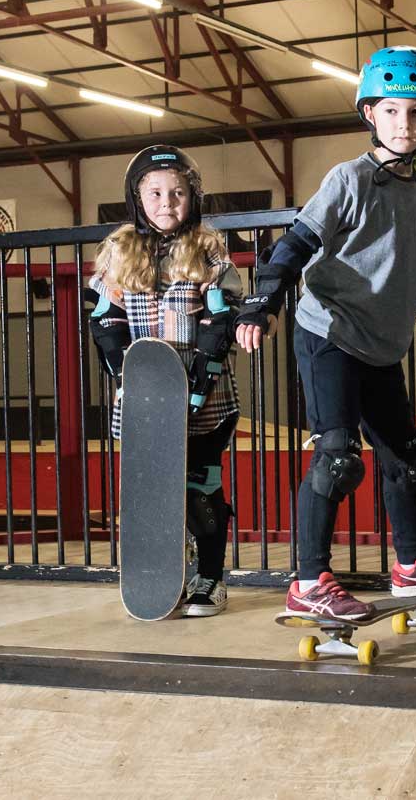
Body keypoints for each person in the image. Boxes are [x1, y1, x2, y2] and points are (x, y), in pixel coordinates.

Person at [234, 46, 416, 620]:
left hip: (381, 345)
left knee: (408, 458)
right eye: (390, 111)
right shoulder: (348, 179)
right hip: (328, 332)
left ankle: (410, 568)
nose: (403, 124)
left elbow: (409, 268)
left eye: (415, 112)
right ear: (370, 115)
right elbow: (294, 246)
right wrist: (261, 304)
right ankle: (308, 582)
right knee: (338, 459)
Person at [89, 145, 242, 617]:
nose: (167, 202)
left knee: (199, 489)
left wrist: (204, 375)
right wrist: (123, 370)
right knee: (152, 494)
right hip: (144, 401)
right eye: (154, 193)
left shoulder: (209, 249)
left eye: (177, 193)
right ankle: (168, 576)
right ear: (138, 197)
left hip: (206, 398)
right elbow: (104, 317)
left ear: (192, 197)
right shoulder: (118, 251)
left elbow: (222, 318)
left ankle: (211, 579)